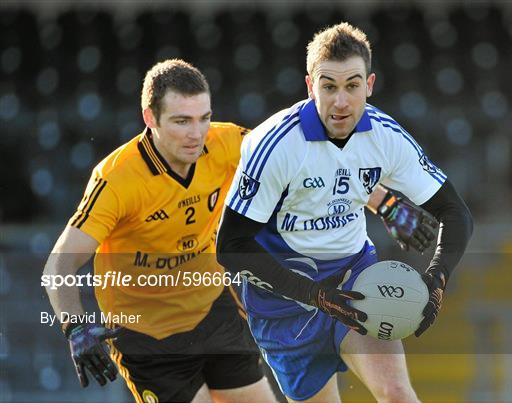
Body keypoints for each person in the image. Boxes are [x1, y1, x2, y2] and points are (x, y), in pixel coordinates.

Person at [217, 23, 473, 402]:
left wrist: (437, 277)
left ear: (369, 84)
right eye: (329, 86)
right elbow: (231, 247)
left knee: (397, 393)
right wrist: (314, 295)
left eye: (352, 86)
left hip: (356, 277)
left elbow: (455, 212)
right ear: (310, 86)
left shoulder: (386, 136)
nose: (341, 101)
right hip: (283, 301)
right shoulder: (275, 145)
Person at [42, 59, 277, 403]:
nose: (196, 134)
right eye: (181, 121)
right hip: (146, 337)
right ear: (150, 118)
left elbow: (292, 159)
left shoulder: (227, 143)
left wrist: (382, 201)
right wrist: (75, 328)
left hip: (213, 310)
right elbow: (58, 266)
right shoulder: (116, 179)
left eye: (204, 118)